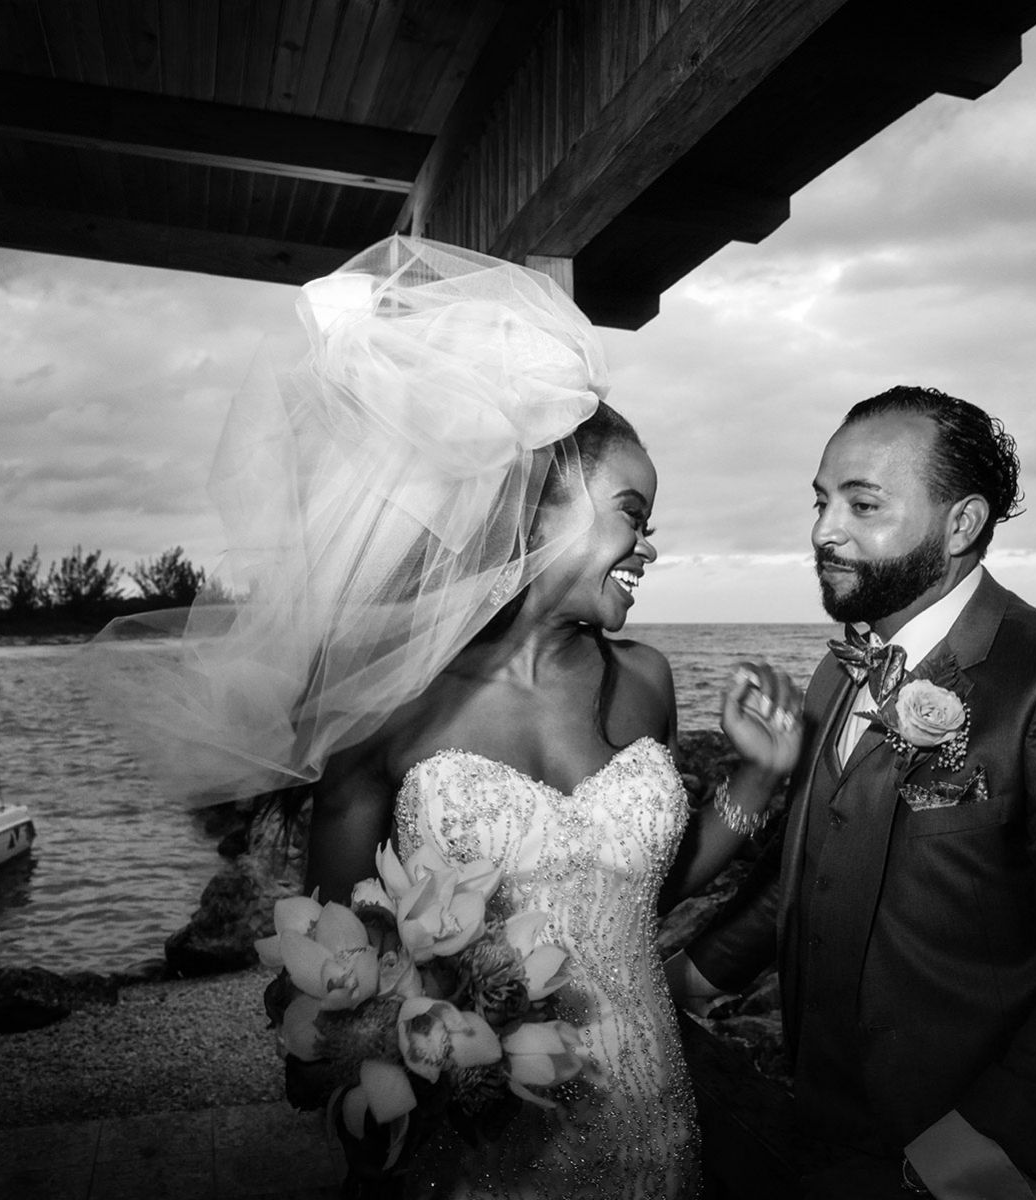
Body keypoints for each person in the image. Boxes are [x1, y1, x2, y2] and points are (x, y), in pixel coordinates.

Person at [109, 236, 801, 1198]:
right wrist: (385, 1099)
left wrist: (759, 778)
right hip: (484, 1143)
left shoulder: (644, 679)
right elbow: (332, 966)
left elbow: (640, 898)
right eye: (632, 514)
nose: (650, 545)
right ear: (534, 511)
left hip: (648, 1103)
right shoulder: (389, 702)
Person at [671, 386, 1036, 1199]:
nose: (823, 530)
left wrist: (966, 1162)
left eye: (863, 504)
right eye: (819, 502)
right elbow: (807, 871)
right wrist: (686, 985)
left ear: (960, 524)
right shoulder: (830, 680)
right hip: (832, 1137)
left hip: (998, 1164)